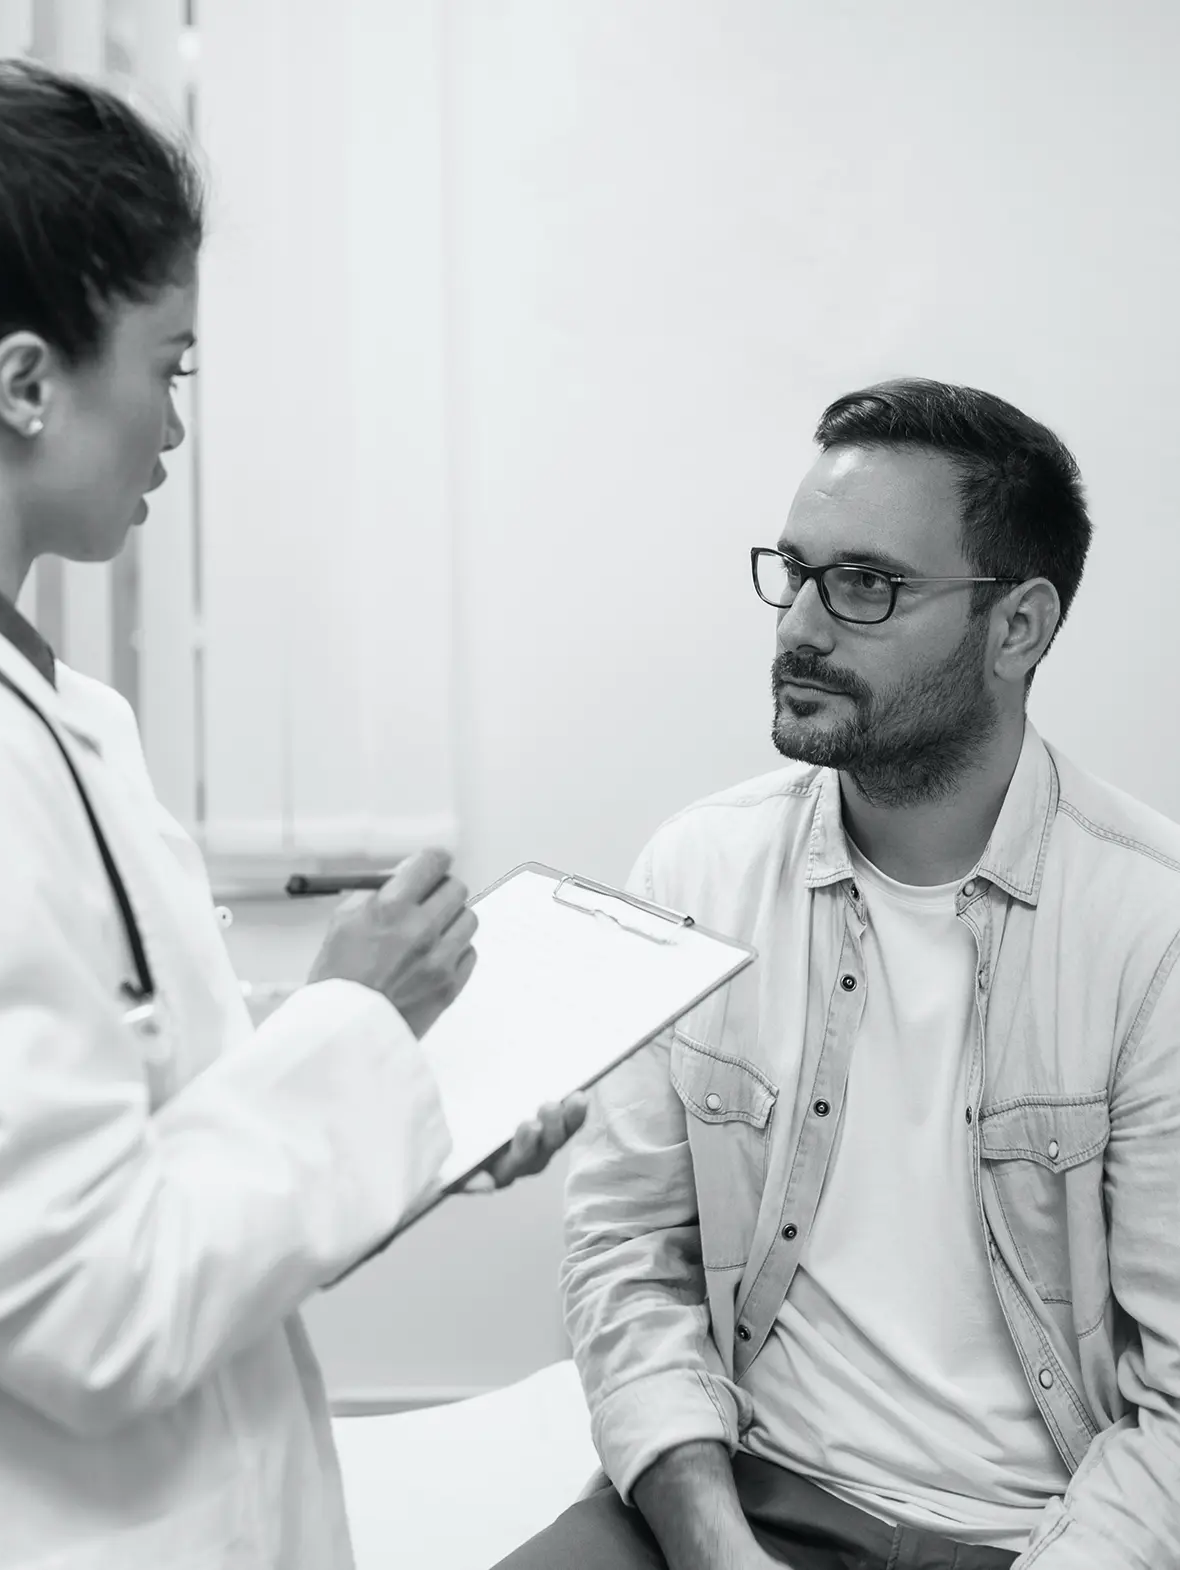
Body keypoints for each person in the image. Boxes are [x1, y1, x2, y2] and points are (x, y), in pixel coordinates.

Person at [0, 63, 585, 1569]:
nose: (177, 418)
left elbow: (103, 1102)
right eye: (166, 362)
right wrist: (352, 1034)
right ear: (29, 382)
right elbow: (84, 1298)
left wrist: (402, 1083)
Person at [497, 379, 1180, 1570]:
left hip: (1035, 1539)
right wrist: (712, 1542)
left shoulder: (1148, 923)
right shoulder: (700, 870)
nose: (799, 627)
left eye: (866, 585)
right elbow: (625, 1258)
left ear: (1016, 627)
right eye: (795, 573)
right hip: (738, 1493)